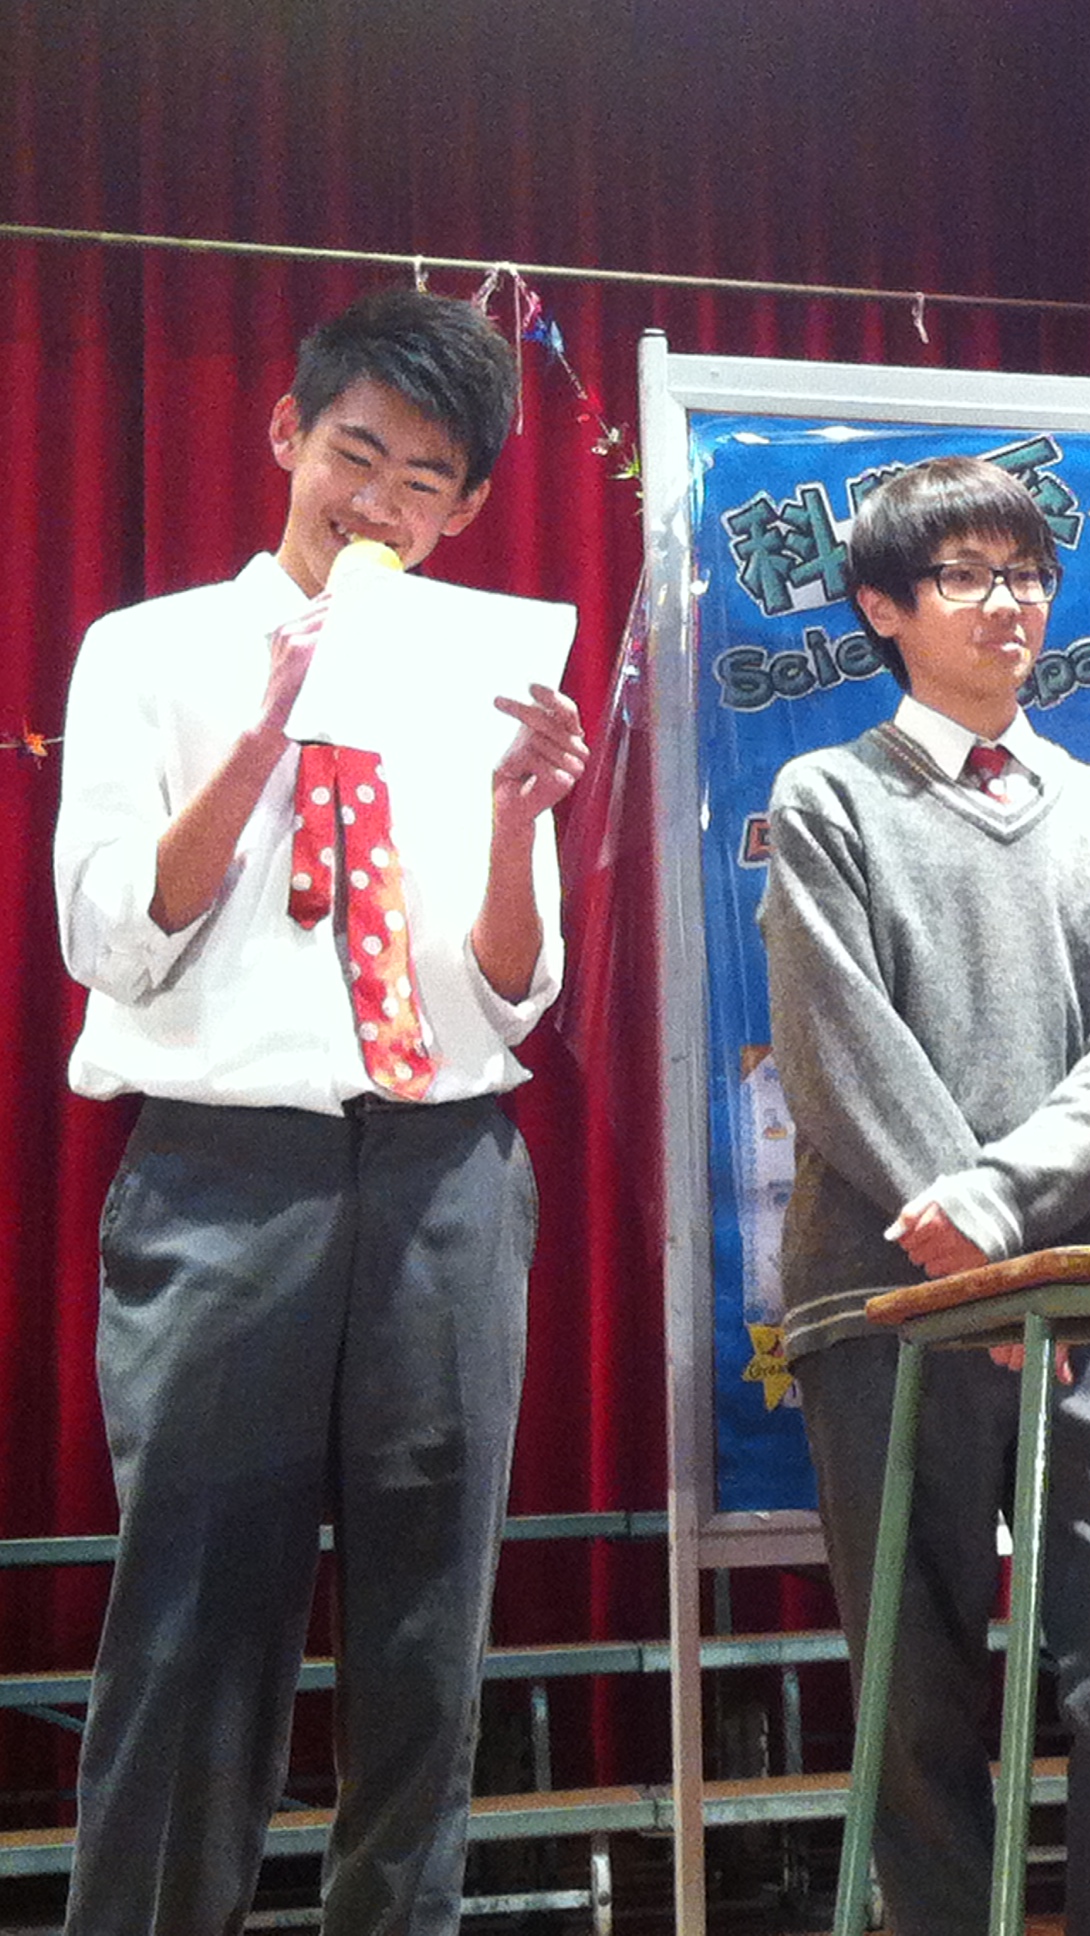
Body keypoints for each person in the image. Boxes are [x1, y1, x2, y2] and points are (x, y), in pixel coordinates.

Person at [52, 287, 590, 1934]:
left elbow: (515, 989)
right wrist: (261, 741)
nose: (379, 502)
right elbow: (108, 937)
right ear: (287, 434)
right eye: (356, 453)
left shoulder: (484, 666)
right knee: (196, 1622)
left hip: (448, 1172)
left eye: (424, 479)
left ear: (467, 507)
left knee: (430, 1629)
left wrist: (520, 816)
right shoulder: (147, 651)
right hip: (229, 1173)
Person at [760, 455, 1090, 1935]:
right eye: (963, 575)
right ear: (883, 607)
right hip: (884, 1296)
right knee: (916, 1677)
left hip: (1084, 1291)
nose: (1005, 603)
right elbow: (838, 1050)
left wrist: (1009, 1238)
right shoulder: (827, 799)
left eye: (1025, 573)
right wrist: (967, 1259)